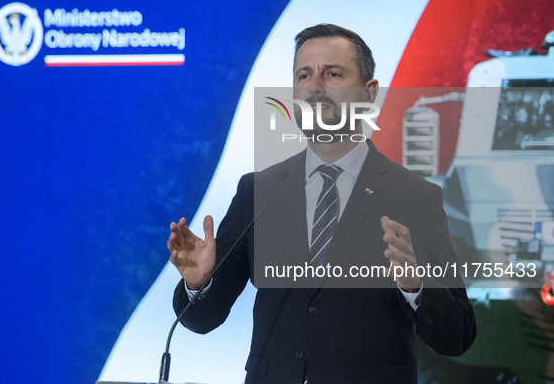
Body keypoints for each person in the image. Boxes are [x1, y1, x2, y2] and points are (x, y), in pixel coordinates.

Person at [167, 24, 476, 384]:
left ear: (368, 92)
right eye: (304, 75)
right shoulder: (258, 190)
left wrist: (415, 286)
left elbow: (458, 336)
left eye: (333, 74)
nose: (314, 87)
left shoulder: (415, 196)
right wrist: (198, 285)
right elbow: (205, 318)